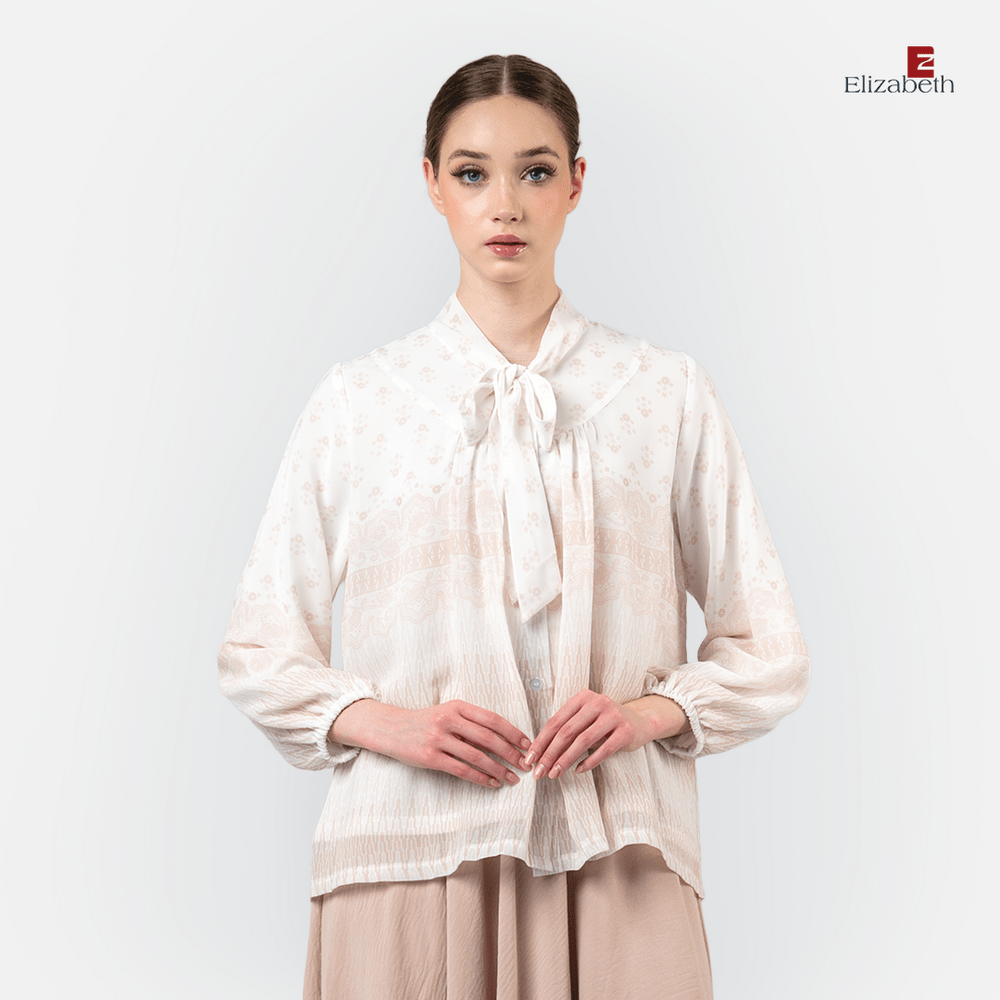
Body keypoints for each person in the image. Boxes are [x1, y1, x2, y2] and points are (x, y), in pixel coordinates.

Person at [218, 53, 810, 1000]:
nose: (505, 204)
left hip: (621, 855)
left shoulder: (662, 392)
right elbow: (259, 649)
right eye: (472, 172)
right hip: (406, 855)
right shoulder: (361, 401)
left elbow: (768, 646)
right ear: (432, 184)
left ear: (576, 182)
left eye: (535, 171)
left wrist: (645, 713)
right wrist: (391, 726)